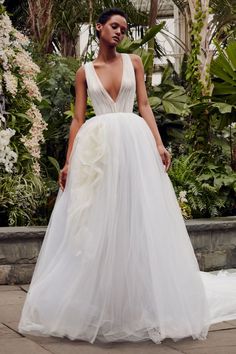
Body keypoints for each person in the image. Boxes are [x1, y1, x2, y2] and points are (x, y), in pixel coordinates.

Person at [18, 8, 236, 344]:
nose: (120, 31)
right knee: (100, 221)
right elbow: (77, 119)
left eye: (124, 27)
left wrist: (159, 144)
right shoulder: (84, 71)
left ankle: (142, 301)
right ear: (100, 28)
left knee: (139, 217)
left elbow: (145, 105)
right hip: (99, 150)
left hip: (134, 144)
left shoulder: (134, 61)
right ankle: (103, 302)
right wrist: (68, 161)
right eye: (114, 26)